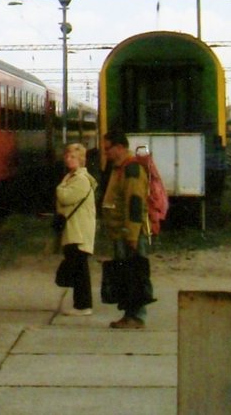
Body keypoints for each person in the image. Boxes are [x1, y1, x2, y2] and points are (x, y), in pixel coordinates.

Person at [100, 131, 152, 329]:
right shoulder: (118, 168)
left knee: (135, 273)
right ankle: (129, 313)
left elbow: (135, 203)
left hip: (130, 233)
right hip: (121, 232)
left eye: (108, 149)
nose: (106, 153)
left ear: (120, 147)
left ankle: (137, 316)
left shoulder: (131, 170)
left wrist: (131, 234)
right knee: (126, 274)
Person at [55, 142, 97, 315]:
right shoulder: (72, 177)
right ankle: (80, 304)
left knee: (80, 269)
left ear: (81, 159)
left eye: (73, 156)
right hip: (75, 229)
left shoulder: (80, 179)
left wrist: (59, 187)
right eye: (67, 155)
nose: (68, 159)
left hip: (79, 231)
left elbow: (65, 197)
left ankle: (83, 305)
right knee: (78, 268)